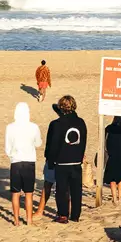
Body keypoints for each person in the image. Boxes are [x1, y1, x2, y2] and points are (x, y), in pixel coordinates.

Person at [45, 95, 87, 223]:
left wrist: (50, 160)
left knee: (62, 190)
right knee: (76, 190)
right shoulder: (81, 122)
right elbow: (83, 141)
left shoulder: (56, 124)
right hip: (76, 160)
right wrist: (80, 156)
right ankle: (75, 215)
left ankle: (63, 214)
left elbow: (52, 144)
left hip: (62, 161)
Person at [5, 102, 43, 226]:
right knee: (29, 193)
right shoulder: (33, 127)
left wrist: (13, 155)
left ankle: (16, 220)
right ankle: (29, 220)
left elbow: (7, 148)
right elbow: (38, 144)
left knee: (15, 194)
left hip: (16, 162)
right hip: (29, 162)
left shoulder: (10, 127)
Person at [36, 103, 61, 218]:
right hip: (64, 159)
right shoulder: (73, 124)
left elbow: (49, 143)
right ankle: (66, 211)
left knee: (48, 184)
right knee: (64, 188)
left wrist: (48, 157)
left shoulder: (54, 124)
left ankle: (40, 211)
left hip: (54, 159)